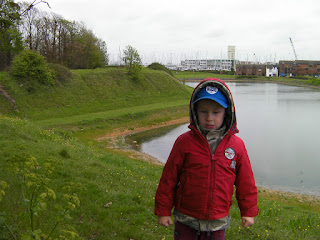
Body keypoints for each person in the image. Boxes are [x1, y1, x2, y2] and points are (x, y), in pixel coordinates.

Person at [154, 78, 259, 239]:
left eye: (216, 112)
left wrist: (248, 211)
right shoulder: (183, 142)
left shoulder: (237, 146)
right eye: (204, 111)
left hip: (218, 221)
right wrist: (163, 211)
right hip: (186, 220)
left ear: (227, 112)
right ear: (195, 111)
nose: (210, 118)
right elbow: (169, 178)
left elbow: (246, 182)